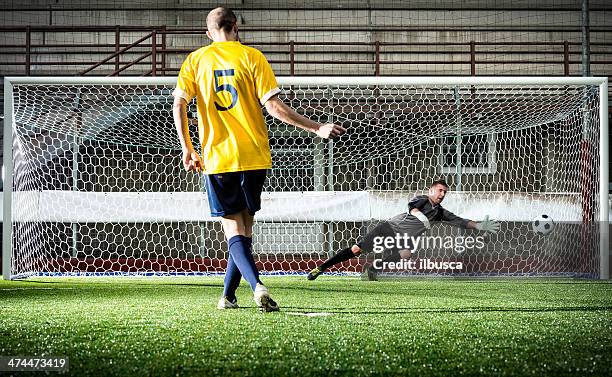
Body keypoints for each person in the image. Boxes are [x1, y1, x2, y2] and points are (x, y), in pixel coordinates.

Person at [173, 7, 346, 312]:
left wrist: (188, 147)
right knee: (245, 232)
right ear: (236, 27)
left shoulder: (196, 60)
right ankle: (227, 297)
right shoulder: (253, 57)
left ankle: (257, 286)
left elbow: (179, 105)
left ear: (209, 33)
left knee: (233, 232)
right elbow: (275, 108)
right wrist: (317, 127)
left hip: (219, 158)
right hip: (254, 156)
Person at [307, 179, 500, 281]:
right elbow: (412, 206)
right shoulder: (423, 199)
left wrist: (480, 225)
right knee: (357, 250)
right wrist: (420, 216)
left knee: (406, 253)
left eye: (445, 192)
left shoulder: (440, 212)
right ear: (431, 190)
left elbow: (462, 221)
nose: (442, 194)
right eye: (440, 190)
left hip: (404, 238)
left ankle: (374, 268)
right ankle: (321, 267)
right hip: (390, 228)